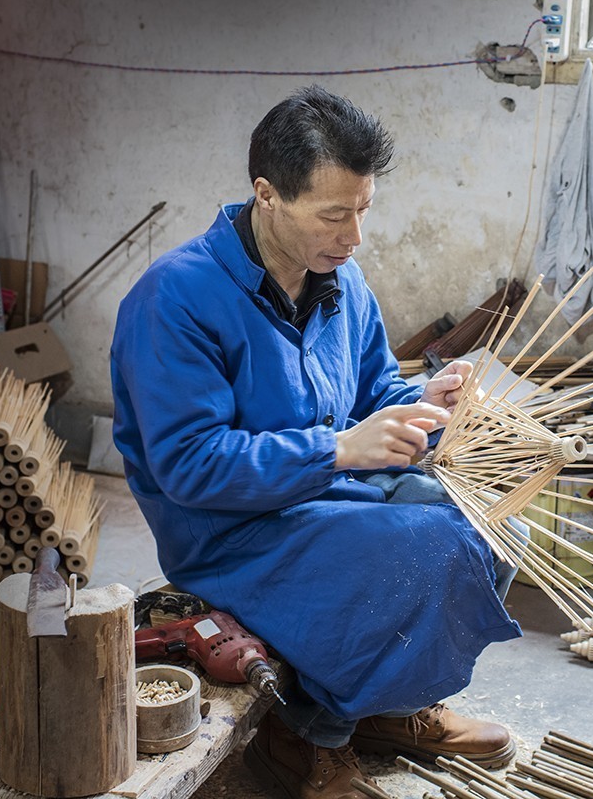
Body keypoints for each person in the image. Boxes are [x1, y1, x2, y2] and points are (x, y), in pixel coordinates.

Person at [111, 85, 523, 799]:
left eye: (362, 210)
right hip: (231, 530)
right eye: (333, 215)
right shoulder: (175, 299)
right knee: (422, 554)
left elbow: (370, 398)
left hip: (328, 493)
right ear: (266, 195)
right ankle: (304, 739)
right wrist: (338, 451)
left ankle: (386, 711)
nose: (353, 235)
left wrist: (425, 404)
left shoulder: (340, 280)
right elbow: (189, 465)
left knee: (492, 521)